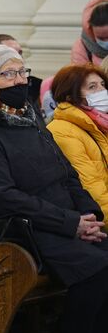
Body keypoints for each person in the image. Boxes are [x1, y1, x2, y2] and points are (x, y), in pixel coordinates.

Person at [0, 44, 108, 333]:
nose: (18, 80)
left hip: (64, 220)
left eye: (21, 71)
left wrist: (91, 215)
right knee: (96, 271)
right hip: (22, 227)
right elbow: (0, 196)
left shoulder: (33, 123)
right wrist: (70, 223)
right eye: (7, 74)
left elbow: (68, 175)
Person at [47, 64, 108, 222]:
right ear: (70, 96)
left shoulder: (100, 124)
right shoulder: (62, 131)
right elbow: (92, 188)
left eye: (103, 85)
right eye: (92, 87)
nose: (102, 91)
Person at [71, 0, 108, 66]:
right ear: (90, 30)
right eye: (101, 38)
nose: (106, 42)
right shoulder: (82, 47)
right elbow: (79, 73)